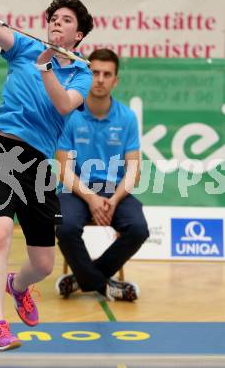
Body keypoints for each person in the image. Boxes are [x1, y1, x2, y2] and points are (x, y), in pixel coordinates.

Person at [0, 0, 93, 351]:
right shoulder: (25, 46)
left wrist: (46, 68)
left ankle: (18, 285)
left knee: (43, 263)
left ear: (78, 34)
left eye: (66, 20)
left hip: (39, 164)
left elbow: (64, 104)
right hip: (0, 149)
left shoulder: (80, 72)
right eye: (54, 18)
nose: (57, 23)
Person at [55, 49, 149, 302]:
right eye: (95, 72)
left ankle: (84, 279)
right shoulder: (70, 114)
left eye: (107, 74)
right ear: (87, 75)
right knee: (64, 226)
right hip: (77, 190)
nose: (100, 79)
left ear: (115, 80)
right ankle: (101, 283)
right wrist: (92, 199)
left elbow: (134, 171)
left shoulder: (127, 117)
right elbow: (63, 169)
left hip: (114, 191)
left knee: (139, 229)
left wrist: (114, 200)